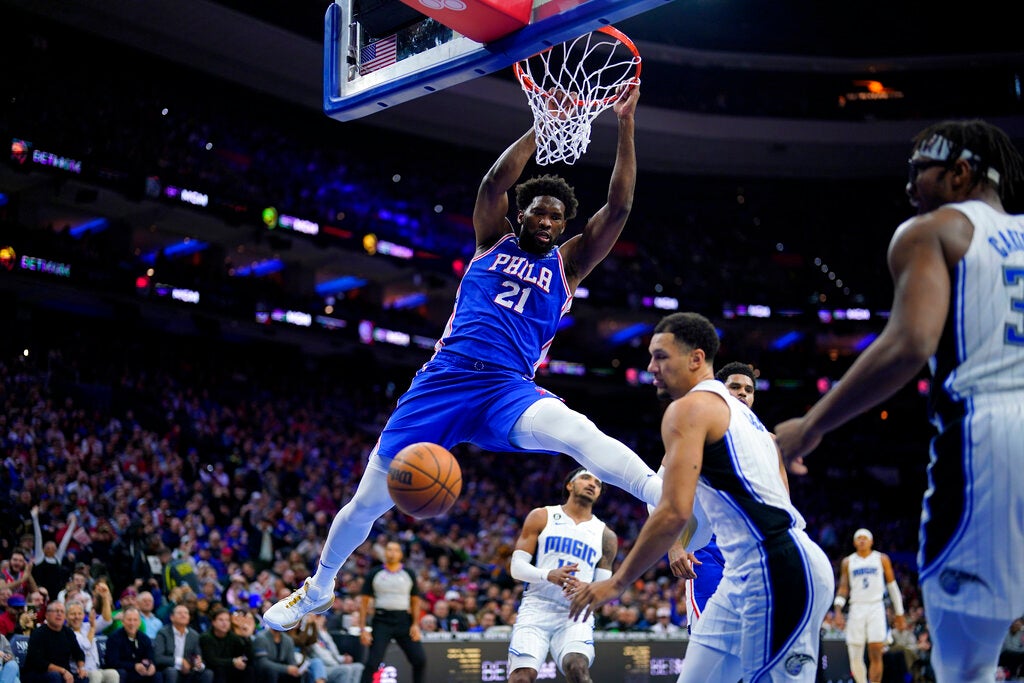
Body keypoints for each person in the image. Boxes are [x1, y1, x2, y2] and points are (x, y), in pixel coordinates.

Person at [263, 85, 665, 631]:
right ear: (521, 215)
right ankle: (319, 586)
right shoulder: (489, 242)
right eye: (538, 213)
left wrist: (626, 123)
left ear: (564, 226)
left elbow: (619, 207)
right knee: (366, 503)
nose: (546, 222)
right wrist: (542, 127)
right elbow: (493, 182)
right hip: (443, 381)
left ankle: (661, 496)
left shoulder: (568, 266)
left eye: (556, 218)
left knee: (578, 432)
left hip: (508, 389)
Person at [773, 120, 1024, 683]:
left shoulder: (932, 230)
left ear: (959, 173)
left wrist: (812, 425)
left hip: (989, 441)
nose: (909, 183)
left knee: (965, 665)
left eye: (920, 171)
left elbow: (909, 343)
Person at [569, 312, 834, 682]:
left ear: (696, 358)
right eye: (650, 356)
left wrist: (617, 582)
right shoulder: (750, 423)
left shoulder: (688, 410)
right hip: (742, 573)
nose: (651, 367)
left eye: (661, 356)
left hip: (776, 565)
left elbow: (673, 512)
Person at [506, 467, 616, 683]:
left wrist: (590, 589)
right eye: (585, 478)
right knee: (521, 677)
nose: (592, 484)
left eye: (598, 483)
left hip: (576, 614)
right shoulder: (541, 516)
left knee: (577, 667)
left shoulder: (606, 535)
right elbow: (516, 568)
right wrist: (549, 574)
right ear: (569, 485)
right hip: (536, 607)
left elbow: (603, 590)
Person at [683, 361, 757, 633]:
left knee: (751, 643)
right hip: (707, 549)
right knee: (709, 637)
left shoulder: (767, 442)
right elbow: (659, 490)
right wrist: (675, 545)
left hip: (751, 551)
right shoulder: (696, 434)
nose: (742, 393)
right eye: (735, 387)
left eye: (748, 390)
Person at [832, 528, 907, 683]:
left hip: (875, 607)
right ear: (854, 542)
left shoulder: (881, 559)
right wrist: (838, 610)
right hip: (856, 607)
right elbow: (843, 587)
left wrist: (899, 613)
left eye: (865, 538)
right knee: (855, 654)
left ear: (871, 541)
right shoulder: (848, 562)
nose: (862, 540)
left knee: (875, 652)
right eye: (858, 538)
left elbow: (892, 586)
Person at [355, 541, 425, 683]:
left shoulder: (408, 573)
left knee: (420, 660)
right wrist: (362, 629)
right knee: (372, 663)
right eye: (389, 550)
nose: (392, 553)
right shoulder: (375, 573)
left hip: (404, 620)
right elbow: (363, 603)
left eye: (395, 550)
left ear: (400, 554)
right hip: (382, 621)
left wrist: (416, 624)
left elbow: (416, 601)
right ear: (384, 553)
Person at [23, 601, 87, 683]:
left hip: (63, 673)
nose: (59, 614)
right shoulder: (38, 633)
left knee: (83, 678)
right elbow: (37, 661)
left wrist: (81, 668)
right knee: (55, 676)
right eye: (56, 611)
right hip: (38, 674)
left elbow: (79, 653)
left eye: (62, 612)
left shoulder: (68, 632)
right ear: (47, 615)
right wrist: (62, 671)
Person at [153, 604, 211, 683]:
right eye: (180, 613)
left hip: (188, 671)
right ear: (172, 617)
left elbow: (198, 656)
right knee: (172, 672)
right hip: (169, 669)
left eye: (186, 613)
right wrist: (180, 661)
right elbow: (158, 658)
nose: (183, 615)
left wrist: (199, 664)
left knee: (207, 674)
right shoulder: (163, 633)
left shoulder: (194, 635)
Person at [65, 600, 119, 683]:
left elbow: (107, 621)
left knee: (113, 673)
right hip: (78, 672)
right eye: (73, 614)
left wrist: (105, 598)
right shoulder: (65, 632)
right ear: (66, 616)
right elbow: (86, 645)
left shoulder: (87, 627)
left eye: (79, 614)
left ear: (83, 615)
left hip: (95, 669)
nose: (77, 617)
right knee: (96, 675)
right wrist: (93, 628)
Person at [103, 607, 161, 683]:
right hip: (125, 670)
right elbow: (112, 662)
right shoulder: (114, 638)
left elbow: (150, 657)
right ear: (123, 622)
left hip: (142, 671)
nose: (132, 623)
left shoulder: (145, 638)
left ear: (139, 622)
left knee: (157, 675)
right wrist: (134, 666)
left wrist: (152, 666)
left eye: (135, 620)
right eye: (129, 620)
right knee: (123, 673)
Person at [198, 608, 252, 683]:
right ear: (213, 622)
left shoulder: (233, 637)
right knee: (220, 670)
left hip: (229, 668)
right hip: (213, 669)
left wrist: (247, 637)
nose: (225, 623)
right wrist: (233, 661)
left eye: (227, 620)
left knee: (249, 669)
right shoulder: (205, 638)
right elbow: (211, 660)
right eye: (221, 620)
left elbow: (245, 655)